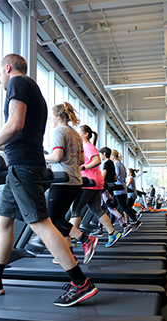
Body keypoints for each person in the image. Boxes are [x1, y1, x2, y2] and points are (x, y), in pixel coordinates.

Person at [0, 53, 98, 307]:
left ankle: (80, 282)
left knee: (41, 222)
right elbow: (22, 133)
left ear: (7, 68)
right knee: (3, 220)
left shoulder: (17, 83)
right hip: (22, 163)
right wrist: (3, 147)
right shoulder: (33, 89)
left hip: (24, 166)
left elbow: (15, 124)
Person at [44, 102, 98, 265]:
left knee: (53, 220)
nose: (51, 120)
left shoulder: (59, 131)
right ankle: (69, 253)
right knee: (61, 218)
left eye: (52, 117)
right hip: (76, 182)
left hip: (62, 182)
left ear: (59, 117)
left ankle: (86, 239)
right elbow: (81, 160)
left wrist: (41, 156)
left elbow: (57, 156)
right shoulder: (75, 134)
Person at [71, 125, 121, 247]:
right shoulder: (86, 147)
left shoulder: (88, 146)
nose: (77, 135)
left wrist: (82, 167)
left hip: (89, 182)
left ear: (86, 134)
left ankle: (73, 239)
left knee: (75, 209)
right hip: (95, 182)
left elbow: (97, 161)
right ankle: (112, 233)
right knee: (96, 210)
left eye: (79, 133)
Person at [91, 146, 132, 237]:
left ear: (104, 154)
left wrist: (96, 182)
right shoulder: (112, 163)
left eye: (100, 154)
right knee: (100, 210)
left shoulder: (106, 163)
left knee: (111, 209)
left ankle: (125, 226)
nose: (100, 156)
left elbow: (102, 177)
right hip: (110, 188)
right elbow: (114, 177)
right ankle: (99, 229)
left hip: (105, 189)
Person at [110, 150, 142, 231]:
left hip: (118, 190)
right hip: (121, 189)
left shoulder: (116, 164)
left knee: (123, 207)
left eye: (110, 156)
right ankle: (111, 223)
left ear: (113, 156)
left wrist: (109, 179)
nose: (110, 157)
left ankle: (136, 220)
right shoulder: (121, 164)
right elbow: (123, 176)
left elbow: (116, 176)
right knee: (112, 206)